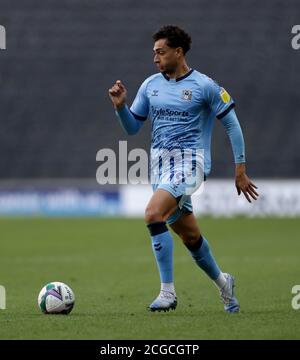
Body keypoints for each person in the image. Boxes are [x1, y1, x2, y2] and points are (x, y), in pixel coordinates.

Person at [108, 25, 258, 313]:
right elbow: (132, 128)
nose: (155, 58)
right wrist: (120, 108)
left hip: (191, 164)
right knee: (190, 237)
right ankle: (223, 282)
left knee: (153, 214)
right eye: (154, 53)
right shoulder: (150, 85)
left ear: (179, 52)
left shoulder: (205, 86)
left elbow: (232, 124)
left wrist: (240, 169)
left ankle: (167, 293)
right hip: (160, 169)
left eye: (161, 52)